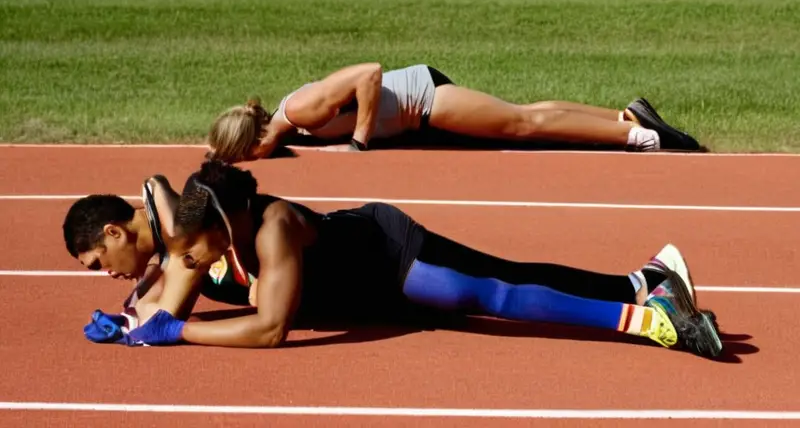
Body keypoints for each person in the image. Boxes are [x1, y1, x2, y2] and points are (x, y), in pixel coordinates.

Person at [87, 160, 723, 359]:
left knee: (494, 294)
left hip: (391, 255)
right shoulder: (210, 228)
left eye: (189, 254)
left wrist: (179, 329)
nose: (185, 266)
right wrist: (132, 318)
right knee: (499, 287)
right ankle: (645, 279)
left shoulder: (273, 227)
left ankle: (648, 312)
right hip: (369, 295)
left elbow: (271, 328)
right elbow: (167, 230)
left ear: (220, 230)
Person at [203, 63, 703, 163]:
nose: (251, 163)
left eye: (245, 158)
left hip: (427, 101)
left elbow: (369, 73)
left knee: (523, 127)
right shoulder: (286, 125)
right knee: (524, 114)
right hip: (422, 102)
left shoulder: (303, 111)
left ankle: (644, 140)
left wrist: (359, 141)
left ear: (256, 141)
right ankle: (627, 117)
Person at [61, 175, 254, 317]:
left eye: (98, 263)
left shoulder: (177, 234)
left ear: (114, 232)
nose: (108, 272)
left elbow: (161, 320)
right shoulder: (161, 239)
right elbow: (143, 306)